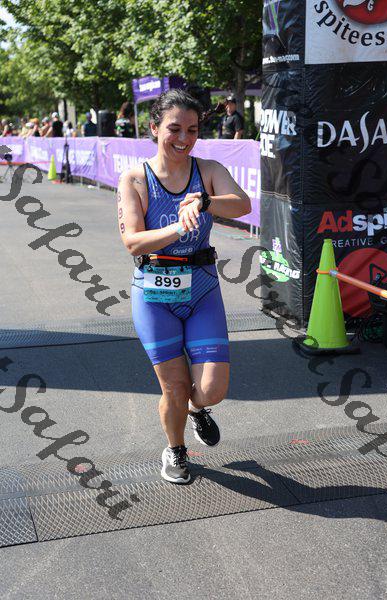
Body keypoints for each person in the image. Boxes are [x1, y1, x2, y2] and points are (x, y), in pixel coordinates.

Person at [118, 89, 251, 484]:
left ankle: (197, 409)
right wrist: (178, 227)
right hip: (154, 295)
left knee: (211, 391)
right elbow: (133, 242)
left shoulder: (206, 170)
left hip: (202, 291)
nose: (183, 138)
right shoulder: (135, 178)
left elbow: (242, 204)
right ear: (154, 128)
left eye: (192, 130)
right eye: (174, 129)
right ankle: (175, 450)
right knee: (175, 387)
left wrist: (205, 202)